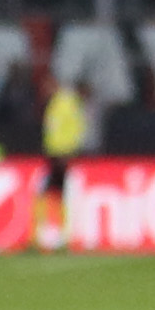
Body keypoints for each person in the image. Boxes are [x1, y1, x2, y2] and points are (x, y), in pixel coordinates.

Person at [33, 71, 92, 252]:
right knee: (53, 194)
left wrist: (69, 151)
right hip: (55, 154)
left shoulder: (65, 102)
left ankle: (49, 237)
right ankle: (52, 237)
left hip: (61, 155)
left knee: (50, 194)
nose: (43, 90)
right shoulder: (59, 102)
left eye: (46, 86)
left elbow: (75, 128)